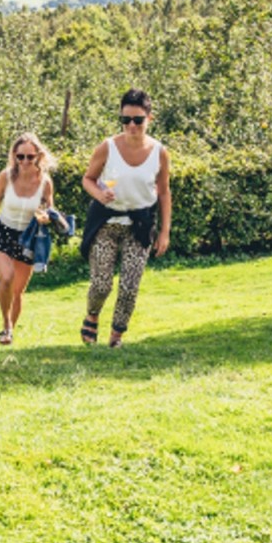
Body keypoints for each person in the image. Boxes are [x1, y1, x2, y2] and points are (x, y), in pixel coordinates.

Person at [80, 88, 171, 348]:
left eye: (138, 120)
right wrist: (98, 193)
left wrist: (164, 232)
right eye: (126, 120)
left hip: (139, 225)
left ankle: (117, 335)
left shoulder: (159, 152)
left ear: (149, 119)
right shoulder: (107, 147)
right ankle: (92, 315)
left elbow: (164, 192)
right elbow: (87, 179)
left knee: (130, 286)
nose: (131, 125)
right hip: (106, 223)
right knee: (101, 284)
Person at [0, 133, 56, 345]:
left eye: (30, 157)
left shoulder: (45, 182)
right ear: (14, 156)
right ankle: (6, 325)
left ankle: (10, 330)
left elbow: (50, 208)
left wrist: (47, 217)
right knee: (7, 277)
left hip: (28, 237)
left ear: (38, 156)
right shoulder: (6, 176)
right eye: (20, 157)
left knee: (18, 291)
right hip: (3, 232)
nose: (25, 162)